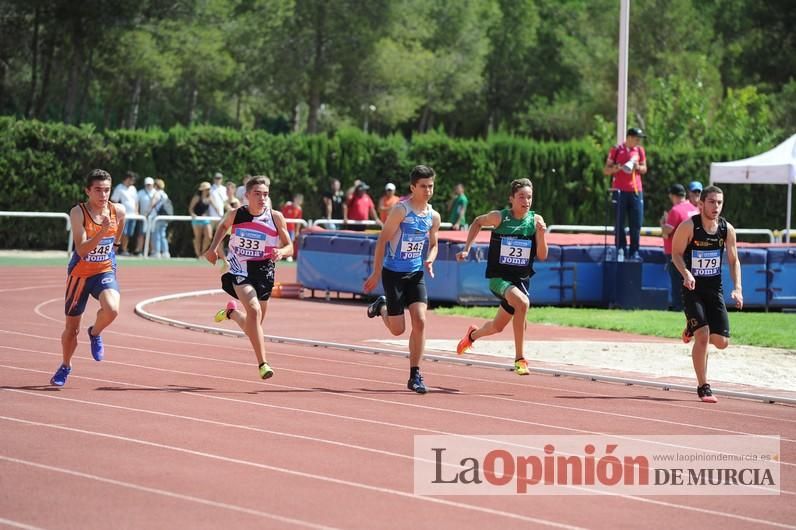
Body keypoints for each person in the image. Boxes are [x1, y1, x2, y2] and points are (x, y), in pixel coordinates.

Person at [454, 178, 548, 375]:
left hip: (520, 280)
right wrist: (466, 249)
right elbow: (477, 222)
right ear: (511, 199)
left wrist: (541, 235)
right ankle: (520, 359)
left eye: (529, 197)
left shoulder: (535, 221)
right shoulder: (499, 218)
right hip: (499, 277)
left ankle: (472, 335)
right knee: (522, 304)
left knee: (497, 327)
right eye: (521, 196)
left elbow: (542, 255)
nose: (526, 201)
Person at [206, 176, 293, 380]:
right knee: (253, 310)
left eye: (265, 194)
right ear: (246, 195)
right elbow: (222, 226)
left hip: (264, 271)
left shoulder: (276, 217)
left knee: (255, 325)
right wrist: (213, 248)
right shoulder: (236, 214)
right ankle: (263, 363)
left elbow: (290, 246)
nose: (262, 198)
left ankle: (232, 314)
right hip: (240, 268)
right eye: (257, 194)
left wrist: (282, 252)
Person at [363, 165, 441, 393]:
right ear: (413, 187)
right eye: (423, 187)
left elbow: (434, 244)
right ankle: (382, 306)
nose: (428, 191)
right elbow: (382, 241)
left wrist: (430, 259)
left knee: (421, 321)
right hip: (393, 274)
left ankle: (415, 374)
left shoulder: (433, 216)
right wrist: (376, 273)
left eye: (431, 186)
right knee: (398, 330)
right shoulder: (400, 211)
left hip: (415, 273)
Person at [50, 169, 126, 386]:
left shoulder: (117, 211)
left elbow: (121, 224)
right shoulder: (78, 213)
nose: (103, 195)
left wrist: (116, 244)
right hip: (80, 275)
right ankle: (66, 365)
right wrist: (102, 233)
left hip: (104, 270)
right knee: (71, 330)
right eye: (98, 190)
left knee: (112, 309)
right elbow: (82, 249)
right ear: (88, 191)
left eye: (107, 190)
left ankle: (94, 332)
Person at [671, 185, 743, 403]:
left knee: (721, 342)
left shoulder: (726, 229)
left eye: (719, 202)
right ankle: (703, 386)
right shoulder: (688, 226)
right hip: (692, 288)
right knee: (702, 335)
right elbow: (675, 254)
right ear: (701, 204)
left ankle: (691, 327)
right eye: (711, 202)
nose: (716, 207)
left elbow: (733, 260)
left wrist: (737, 288)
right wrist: (686, 273)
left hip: (714, 290)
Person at [603, 127, 648, 261]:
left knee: (636, 223)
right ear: (629, 137)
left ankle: (634, 251)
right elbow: (606, 170)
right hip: (619, 191)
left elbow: (644, 168)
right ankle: (620, 248)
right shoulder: (616, 149)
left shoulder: (639, 150)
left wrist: (638, 167)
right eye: (636, 138)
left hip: (635, 190)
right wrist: (616, 168)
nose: (638, 141)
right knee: (619, 222)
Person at [660, 183, 699, 311]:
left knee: (677, 282)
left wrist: (663, 223)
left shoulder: (675, 210)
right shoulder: (693, 208)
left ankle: (678, 307)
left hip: (676, 252)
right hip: (692, 250)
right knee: (689, 279)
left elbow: (667, 232)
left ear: (672, 196)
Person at [110, 171, 137, 255]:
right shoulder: (119, 188)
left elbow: (136, 201)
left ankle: (124, 250)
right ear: (128, 179)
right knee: (121, 233)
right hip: (123, 216)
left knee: (128, 234)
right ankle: (116, 249)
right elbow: (114, 200)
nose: (133, 181)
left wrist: (136, 212)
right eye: (132, 179)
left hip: (133, 216)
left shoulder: (133, 188)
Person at [189, 182, 214, 258]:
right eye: (207, 189)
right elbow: (190, 208)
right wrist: (193, 214)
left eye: (209, 189)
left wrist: (220, 215)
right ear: (203, 190)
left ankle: (203, 253)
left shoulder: (210, 198)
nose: (208, 191)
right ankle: (198, 254)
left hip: (205, 219)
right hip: (197, 219)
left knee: (209, 236)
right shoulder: (197, 197)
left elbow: (216, 207)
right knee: (198, 237)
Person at [135, 176, 158, 255]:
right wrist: (137, 213)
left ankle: (152, 251)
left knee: (152, 234)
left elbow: (154, 204)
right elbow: (137, 203)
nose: (148, 186)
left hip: (153, 217)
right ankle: (139, 251)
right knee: (141, 234)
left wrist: (147, 213)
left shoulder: (156, 192)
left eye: (150, 184)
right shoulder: (140, 192)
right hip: (143, 217)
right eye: (147, 184)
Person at [150, 178, 171, 258]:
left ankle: (157, 252)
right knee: (163, 235)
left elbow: (152, 204)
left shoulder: (157, 193)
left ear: (156, 185)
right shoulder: (165, 194)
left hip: (157, 217)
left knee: (156, 235)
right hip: (165, 217)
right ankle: (166, 252)